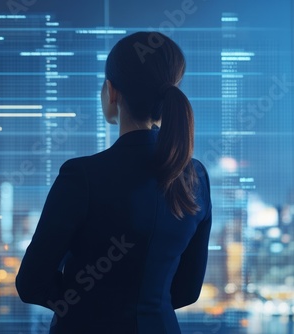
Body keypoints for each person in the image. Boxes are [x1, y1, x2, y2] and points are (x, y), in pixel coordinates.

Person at [15, 31, 212, 334]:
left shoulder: (82, 176)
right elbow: (186, 291)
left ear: (112, 91)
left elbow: (31, 284)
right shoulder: (195, 177)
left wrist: (83, 301)